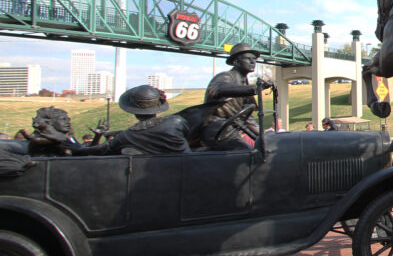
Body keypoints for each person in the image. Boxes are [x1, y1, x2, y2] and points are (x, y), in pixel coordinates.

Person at [44, 85, 191, 156]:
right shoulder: (177, 122)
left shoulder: (127, 136)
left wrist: (77, 147)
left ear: (133, 111)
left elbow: (101, 149)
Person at [201, 43, 273, 150]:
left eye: (254, 59)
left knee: (260, 150)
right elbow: (217, 89)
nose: (253, 62)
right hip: (216, 129)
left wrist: (268, 136)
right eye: (248, 58)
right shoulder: (225, 76)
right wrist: (254, 88)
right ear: (236, 61)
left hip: (230, 129)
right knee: (244, 152)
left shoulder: (244, 83)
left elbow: (248, 119)